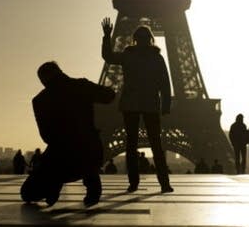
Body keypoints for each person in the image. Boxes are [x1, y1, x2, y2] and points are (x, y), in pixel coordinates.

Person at [20, 61, 115, 207]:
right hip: (89, 152)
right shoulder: (81, 85)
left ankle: (53, 183)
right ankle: (91, 180)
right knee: (87, 150)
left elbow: (46, 136)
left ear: (43, 80)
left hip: (60, 157)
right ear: (60, 71)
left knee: (27, 193)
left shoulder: (40, 100)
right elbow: (109, 96)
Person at [101, 17, 173, 193]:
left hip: (132, 103)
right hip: (148, 103)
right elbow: (165, 82)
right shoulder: (156, 58)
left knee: (131, 145)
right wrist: (165, 104)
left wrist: (107, 37)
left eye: (143, 38)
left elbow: (108, 56)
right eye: (141, 38)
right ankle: (163, 183)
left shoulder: (128, 56)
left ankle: (134, 182)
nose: (142, 41)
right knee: (155, 144)